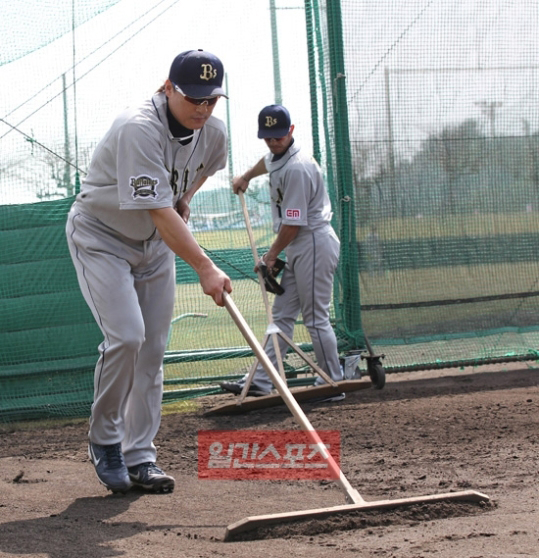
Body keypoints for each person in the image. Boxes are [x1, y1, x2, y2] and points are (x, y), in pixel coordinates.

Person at [66, 49, 232, 494]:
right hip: (101, 237)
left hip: (154, 247)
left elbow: (202, 169)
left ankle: (140, 456)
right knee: (126, 337)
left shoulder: (213, 133)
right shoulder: (138, 127)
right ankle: (105, 442)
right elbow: (159, 211)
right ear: (168, 87)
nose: (201, 108)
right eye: (192, 97)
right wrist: (205, 266)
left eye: (211, 100)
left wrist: (187, 195)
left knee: (153, 350)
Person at [220, 104, 344, 401]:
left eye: (278, 136)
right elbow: (268, 162)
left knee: (315, 318)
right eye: (268, 137)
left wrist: (271, 255)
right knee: (282, 316)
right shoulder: (279, 156)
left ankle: (331, 382)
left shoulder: (298, 167)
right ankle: (263, 380)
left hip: (313, 241)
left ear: (290, 131)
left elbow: (293, 224)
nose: (274, 141)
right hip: (300, 244)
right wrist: (247, 176)